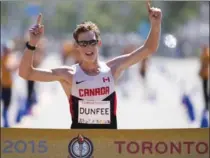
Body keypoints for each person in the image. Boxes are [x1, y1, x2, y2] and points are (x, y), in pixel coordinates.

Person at [18, 1, 162, 129]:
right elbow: (26, 73)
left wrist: (156, 25)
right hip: (80, 147)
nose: (89, 47)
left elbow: (149, 48)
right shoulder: (68, 74)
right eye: (84, 43)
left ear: (98, 43)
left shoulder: (112, 69)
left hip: (108, 145)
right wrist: (32, 44)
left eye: (92, 42)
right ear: (77, 47)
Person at [1, 44, 18, 127]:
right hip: (3, 85)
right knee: (5, 104)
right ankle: (5, 121)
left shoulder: (10, 58)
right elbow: (9, 68)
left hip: (9, 85)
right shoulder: (3, 59)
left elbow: (13, 68)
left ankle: (6, 120)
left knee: (7, 104)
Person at [199, 45, 209, 127]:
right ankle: (206, 105)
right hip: (205, 75)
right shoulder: (205, 55)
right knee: (205, 91)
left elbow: (203, 66)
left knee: (205, 91)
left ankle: (206, 105)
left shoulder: (205, 55)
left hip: (206, 76)